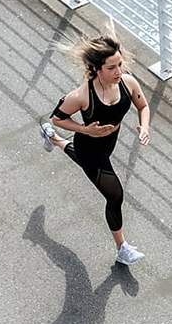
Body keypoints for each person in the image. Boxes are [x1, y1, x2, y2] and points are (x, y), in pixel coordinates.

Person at [39, 35, 150, 265]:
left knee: (77, 156)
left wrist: (144, 127)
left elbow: (143, 106)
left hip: (109, 144)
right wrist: (85, 129)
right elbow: (58, 117)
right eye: (111, 68)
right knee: (115, 195)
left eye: (119, 65)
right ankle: (122, 248)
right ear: (96, 69)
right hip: (89, 148)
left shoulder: (128, 83)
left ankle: (52, 138)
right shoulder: (82, 96)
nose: (119, 71)